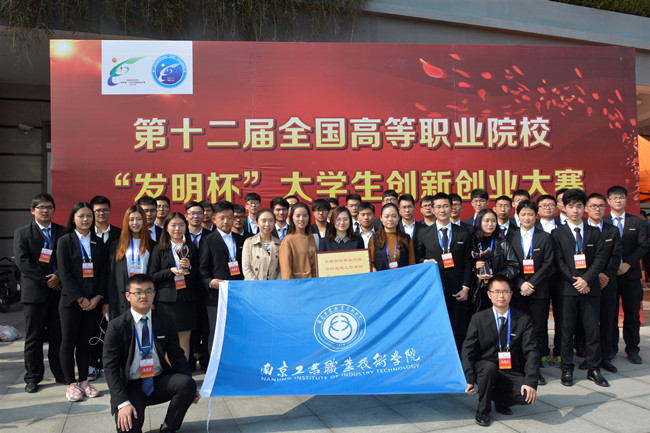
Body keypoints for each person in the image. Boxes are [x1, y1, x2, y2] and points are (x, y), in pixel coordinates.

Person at [103, 274, 199, 433]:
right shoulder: (116, 326)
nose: (144, 296)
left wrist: (191, 388)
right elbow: (110, 368)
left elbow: (177, 356)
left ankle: (168, 427)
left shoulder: (165, 321)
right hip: (132, 385)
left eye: (148, 291)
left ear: (154, 294)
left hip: (158, 380)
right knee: (128, 429)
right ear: (128, 296)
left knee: (187, 384)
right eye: (138, 292)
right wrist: (122, 402)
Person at [462, 275, 539, 427]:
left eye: (505, 291)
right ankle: (483, 411)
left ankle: (499, 399)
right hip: (485, 367)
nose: (501, 296)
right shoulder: (478, 318)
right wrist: (469, 378)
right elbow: (467, 350)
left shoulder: (523, 319)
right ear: (489, 294)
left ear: (511, 294)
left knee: (526, 396)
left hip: (509, 368)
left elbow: (532, 352)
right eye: (496, 292)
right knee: (489, 369)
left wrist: (530, 381)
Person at [551, 188, 608, 387]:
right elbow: (558, 262)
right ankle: (567, 369)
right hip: (567, 290)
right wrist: (576, 281)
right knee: (566, 331)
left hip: (591, 289)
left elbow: (600, 259)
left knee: (592, 331)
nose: (575, 210)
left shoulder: (594, 232)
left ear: (585, 208)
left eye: (578, 206)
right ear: (564, 208)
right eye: (570, 206)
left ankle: (594, 369)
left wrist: (586, 280)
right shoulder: (557, 233)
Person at [13, 193, 66, 392]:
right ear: (32, 210)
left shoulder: (62, 231)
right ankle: (33, 377)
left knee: (57, 336)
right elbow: (23, 261)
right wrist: (47, 281)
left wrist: (58, 276)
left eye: (49, 207)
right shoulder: (22, 233)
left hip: (58, 292)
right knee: (33, 338)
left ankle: (60, 373)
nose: (45, 211)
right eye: (41, 207)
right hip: (34, 294)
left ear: (54, 210)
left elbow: (68, 257)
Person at [57, 202, 107, 401]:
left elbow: (103, 272)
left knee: (86, 342)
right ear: (73, 218)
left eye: (89, 216)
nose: (86, 219)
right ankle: (71, 384)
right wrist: (80, 298)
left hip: (93, 302)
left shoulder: (98, 242)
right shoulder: (65, 241)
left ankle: (84, 381)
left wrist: (97, 297)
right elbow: (64, 273)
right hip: (71, 302)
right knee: (68, 342)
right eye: (81, 216)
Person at [415, 193, 472, 350]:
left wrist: (466, 287)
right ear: (433, 209)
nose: (442, 210)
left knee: (458, 330)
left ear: (451, 208)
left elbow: (468, 262)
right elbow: (416, 258)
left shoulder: (463, 232)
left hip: (458, 290)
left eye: (446, 206)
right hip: (434, 289)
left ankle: (459, 360)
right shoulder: (423, 233)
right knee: (435, 329)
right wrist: (425, 261)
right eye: (438, 207)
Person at [509, 200, 554, 385]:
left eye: (530, 214)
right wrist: (521, 284)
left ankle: (534, 368)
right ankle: (519, 365)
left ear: (536, 216)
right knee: (518, 329)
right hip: (518, 291)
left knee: (538, 329)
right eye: (523, 214)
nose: (527, 218)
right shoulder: (510, 237)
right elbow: (508, 263)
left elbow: (548, 264)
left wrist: (532, 284)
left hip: (539, 291)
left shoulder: (545, 237)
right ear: (517, 216)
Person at [603, 185, 648, 364]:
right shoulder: (603, 221)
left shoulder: (636, 222)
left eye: (621, 197)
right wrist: (611, 268)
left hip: (631, 275)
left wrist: (628, 264)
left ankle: (633, 349)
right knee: (610, 314)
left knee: (632, 314)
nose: (618, 200)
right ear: (608, 201)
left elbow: (643, 246)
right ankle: (610, 349)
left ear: (626, 199)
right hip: (610, 275)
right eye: (614, 197)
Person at [150, 213, 200, 360]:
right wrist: (170, 271)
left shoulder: (192, 248)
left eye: (181, 225)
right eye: (173, 225)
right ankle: (168, 372)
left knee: (184, 339)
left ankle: (182, 370)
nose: (177, 229)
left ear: (186, 227)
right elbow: (152, 276)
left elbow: (200, 275)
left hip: (187, 300)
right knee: (167, 339)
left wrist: (190, 267)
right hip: (166, 301)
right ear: (166, 228)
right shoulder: (159, 249)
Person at [199, 201, 245, 353]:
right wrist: (210, 282)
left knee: (237, 330)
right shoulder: (207, 240)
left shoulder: (242, 240)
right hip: (216, 295)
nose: (226, 221)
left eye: (230, 217)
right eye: (222, 218)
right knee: (217, 332)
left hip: (238, 294)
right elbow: (202, 268)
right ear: (214, 219)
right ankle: (214, 364)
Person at [584, 193, 621, 372]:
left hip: (608, 282)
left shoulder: (612, 230)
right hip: (588, 282)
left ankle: (605, 356)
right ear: (586, 208)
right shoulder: (581, 228)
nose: (597, 209)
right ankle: (589, 356)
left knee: (607, 319)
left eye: (600, 206)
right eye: (593, 206)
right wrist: (594, 275)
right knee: (588, 322)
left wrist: (605, 274)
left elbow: (616, 256)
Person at [471, 208, 519, 312]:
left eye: (493, 221)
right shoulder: (472, 242)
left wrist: (495, 277)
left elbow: (514, 267)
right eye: (486, 221)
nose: (490, 224)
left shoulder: (502, 243)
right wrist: (475, 267)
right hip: (477, 290)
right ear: (479, 222)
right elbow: (464, 265)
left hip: (497, 291)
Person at [108, 206, 151, 320]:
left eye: (139, 219)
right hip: (121, 297)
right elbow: (111, 275)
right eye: (131, 219)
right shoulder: (116, 245)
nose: (135, 223)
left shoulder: (152, 245)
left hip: (144, 296)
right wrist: (107, 301)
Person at [368, 203, 415, 271]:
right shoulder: (374, 238)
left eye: (394, 216)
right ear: (381, 218)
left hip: (402, 277)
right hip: (381, 277)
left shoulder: (406, 238)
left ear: (398, 218)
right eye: (386, 216)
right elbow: (370, 263)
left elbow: (412, 264)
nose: (390, 219)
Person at [279, 203, 318, 279]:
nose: (301, 219)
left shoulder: (313, 237)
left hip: (314, 282)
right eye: (297, 216)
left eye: (305, 216)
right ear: (292, 218)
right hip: (298, 283)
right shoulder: (288, 240)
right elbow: (286, 271)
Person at [242, 209, 282, 280]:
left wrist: (276, 283)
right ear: (257, 223)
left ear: (275, 223)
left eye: (271, 221)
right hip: (254, 284)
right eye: (263, 221)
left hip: (274, 285)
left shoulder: (279, 243)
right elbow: (246, 268)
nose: (267, 224)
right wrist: (258, 284)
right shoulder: (249, 242)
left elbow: (281, 268)